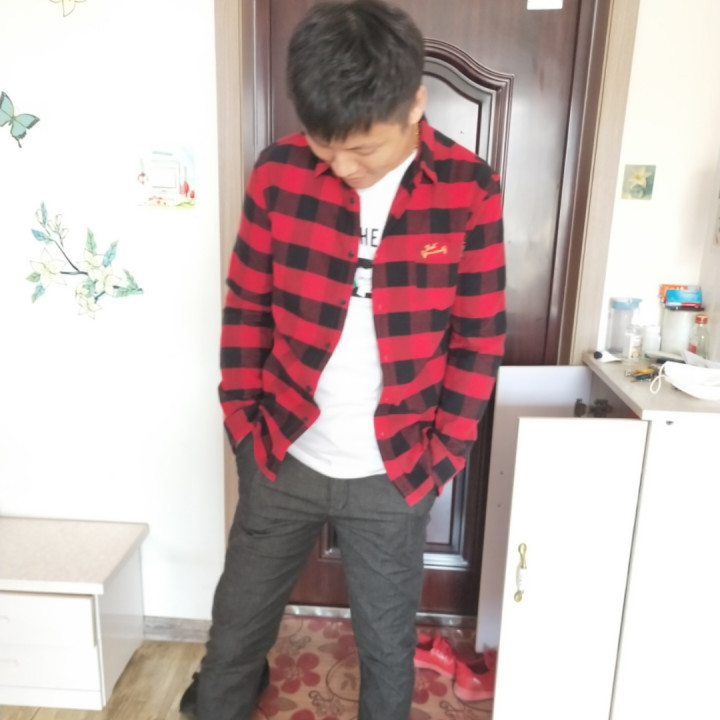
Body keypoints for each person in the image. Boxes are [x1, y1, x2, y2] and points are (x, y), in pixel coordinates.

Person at [188, 1, 506, 718]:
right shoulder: (278, 174)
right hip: (282, 452)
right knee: (234, 635)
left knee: (387, 651)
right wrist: (244, 428)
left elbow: (478, 337)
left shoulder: (468, 190)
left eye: (362, 149)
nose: (342, 166)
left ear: (414, 105)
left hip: (395, 470)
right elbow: (246, 308)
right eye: (325, 146)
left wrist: (439, 460)